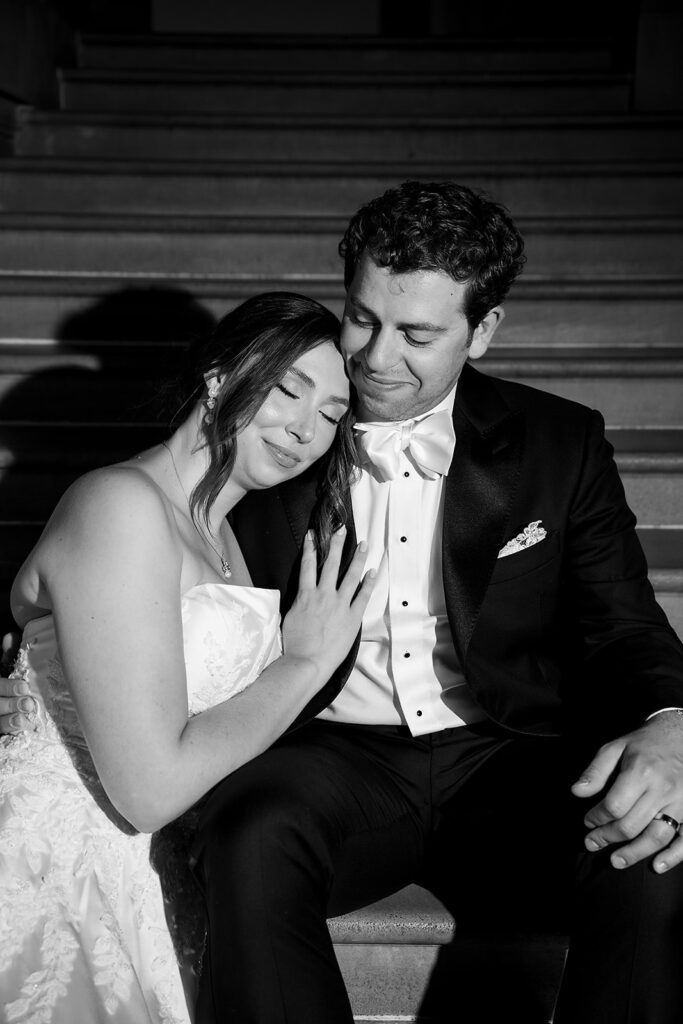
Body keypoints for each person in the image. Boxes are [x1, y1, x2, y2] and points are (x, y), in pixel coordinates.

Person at [3, 181, 683, 1023]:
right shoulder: (281, 428)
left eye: (418, 334)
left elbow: (622, 624)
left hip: (508, 755)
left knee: (654, 851)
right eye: (362, 318)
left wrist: (670, 722)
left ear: (484, 331)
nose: (374, 359)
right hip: (331, 755)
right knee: (248, 834)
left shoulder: (558, 441)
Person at [0, 292, 375, 1024]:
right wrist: (299, 666)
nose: (305, 429)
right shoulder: (120, 503)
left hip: (162, 874)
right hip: (63, 867)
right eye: (288, 389)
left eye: (332, 415)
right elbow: (147, 788)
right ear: (217, 376)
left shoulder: (224, 537)